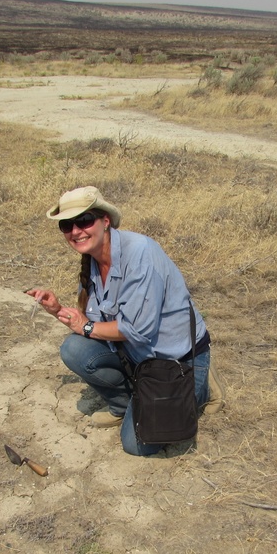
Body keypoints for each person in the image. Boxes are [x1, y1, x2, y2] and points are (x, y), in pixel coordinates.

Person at [27, 186, 224, 456]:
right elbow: (94, 323)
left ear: (105, 221)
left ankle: (200, 386)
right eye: (66, 225)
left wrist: (83, 326)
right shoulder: (93, 261)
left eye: (84, 221)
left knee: (137, 445)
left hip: (174, 361)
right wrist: (59, 310)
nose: (75, 231)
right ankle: (125, 404)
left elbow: (137, 331)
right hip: (138, 358)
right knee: (74, 349)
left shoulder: (140, 253)